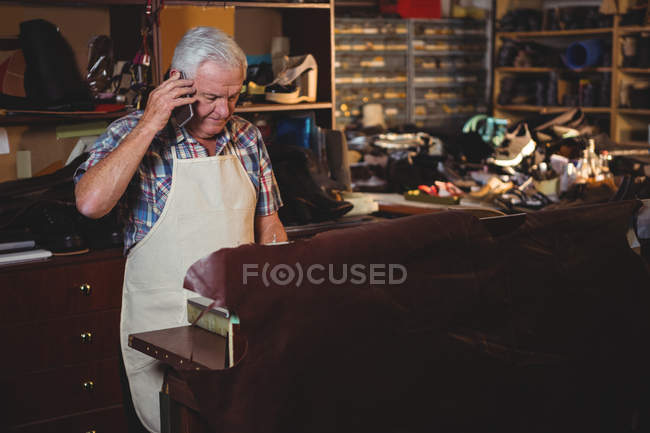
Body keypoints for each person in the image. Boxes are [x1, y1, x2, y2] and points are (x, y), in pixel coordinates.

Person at [74, 26, 287, 433]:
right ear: (177, 83)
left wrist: (278, 296)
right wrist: (151, 122)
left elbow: (270, 224)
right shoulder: (133, 134)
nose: (224, 111)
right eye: (210, 97)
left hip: (232, 325)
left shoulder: (247, 137)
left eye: (233, 96)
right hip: (162, 329)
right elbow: (90, 204)